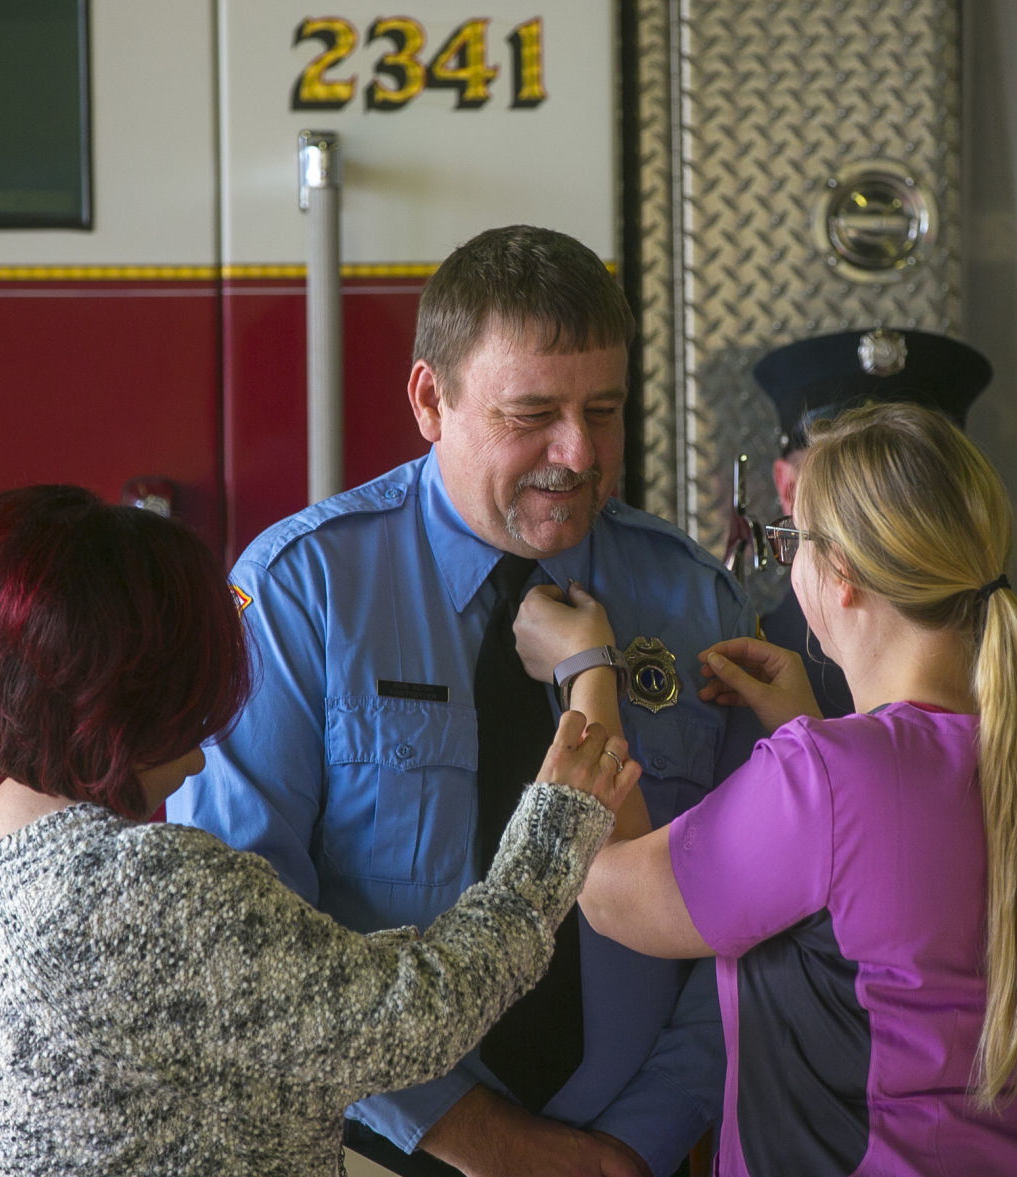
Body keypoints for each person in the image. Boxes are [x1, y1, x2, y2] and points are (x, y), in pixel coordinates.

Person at [167, 225, 754, 1177]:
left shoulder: (693, 600)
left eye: (602, 410)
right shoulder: (301, 591)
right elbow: (245, 932)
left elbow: (751, 915)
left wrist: (631, 1143)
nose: (576, 452)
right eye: (532, 415)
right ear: (430, 400)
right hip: (378, 1144)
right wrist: (486, 1139)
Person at [0, 484, 632, 1177]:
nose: (200, 750)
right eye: (185, 702)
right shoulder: (133, 885)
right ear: (117, 695)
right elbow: (413, 1019)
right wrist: (556, 826)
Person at [520, 401, 1017, 1175]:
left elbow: (612, 895)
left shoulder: (828, 781)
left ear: (839, 575)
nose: (790, 563)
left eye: (790, 542)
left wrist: (587, 672)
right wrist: (811, 732)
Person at [753, 327, 1017, 842]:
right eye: (854, 479)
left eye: (917, 477)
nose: (891, 506)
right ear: (790, 491)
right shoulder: (736, 672)